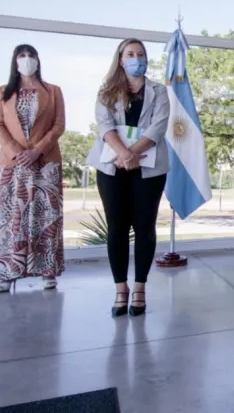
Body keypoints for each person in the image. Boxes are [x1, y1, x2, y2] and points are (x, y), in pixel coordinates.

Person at [88, 38, 170, 317]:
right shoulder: (106, 91)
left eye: (141, 54)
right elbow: (104, 125)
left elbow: (158, 126)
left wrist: (132, 154)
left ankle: (140, 288)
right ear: (121, 60)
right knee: (117, 228)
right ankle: (120, 289)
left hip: (149, 169)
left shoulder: (159, 91)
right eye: (131, 54)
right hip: (112, 167)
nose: (137, 58)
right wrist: (123, 154)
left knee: (145, 227)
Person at [0, 44, 66, 293]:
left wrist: (37, 151)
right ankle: (5, 273)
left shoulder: (53, 91)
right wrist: (17, 151)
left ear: (38, 60)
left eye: (31, 55)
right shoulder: (3, 92)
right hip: (13, 165)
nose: (27, 59)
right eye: (22, 55)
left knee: (45, 218)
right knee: (10, 220)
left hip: (45, 164)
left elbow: (59, 125)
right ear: (15, 61)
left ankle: (47, 271)